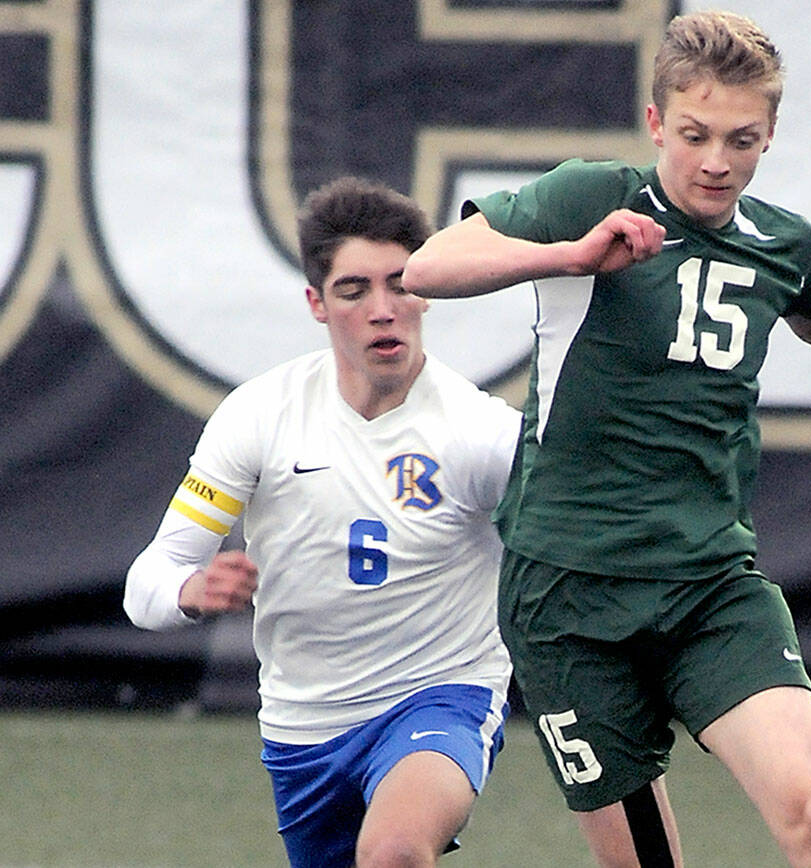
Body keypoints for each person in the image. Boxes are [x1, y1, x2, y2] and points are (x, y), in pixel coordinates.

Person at [402, 10, 811, 868]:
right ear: (656, 124)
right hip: (567, 597)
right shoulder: (592, 198)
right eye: (695, 135)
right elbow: (428, 266)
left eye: (742, 139)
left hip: (707, 586)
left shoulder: (777, 242)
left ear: (770, 136)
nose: (716, 160)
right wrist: (569, 256)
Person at [124, 177, 522, 868]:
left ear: (428, 291)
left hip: (441, 695)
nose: (382, 310)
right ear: (316, 303)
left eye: (400, 284)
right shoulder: (260, 416)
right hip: (304, 727)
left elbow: (580, 542)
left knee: (394, 851)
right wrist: (192, 590)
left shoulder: (481, 434)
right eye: (353, 290)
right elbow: (147, 583)